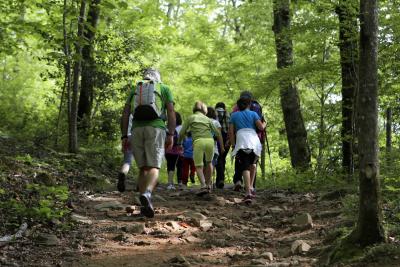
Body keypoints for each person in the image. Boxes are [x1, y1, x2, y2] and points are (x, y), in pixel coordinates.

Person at [121, 68, 175, 218]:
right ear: (158, 77)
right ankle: (148, 193)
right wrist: (171, 134)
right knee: (154, 166)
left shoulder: (135, 88)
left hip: (137, 130)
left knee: (142, 168)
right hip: (155, 128)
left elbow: (125, 113)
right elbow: (171, 112)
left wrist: (124, 136)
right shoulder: (164, 88)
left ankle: (144, 208)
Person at [178, 101, 224, 196]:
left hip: (198, 142)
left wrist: (179, 142)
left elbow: (182, 132)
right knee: (209, 162)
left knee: (199, 165)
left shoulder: (191, 118)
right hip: (210, 141)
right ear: (204, 110)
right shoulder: (207, 119)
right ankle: (208, 185)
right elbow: (217, 133)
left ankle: (203, 186)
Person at [229, 97, 266, 203]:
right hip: (254, 140)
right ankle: (250, 187)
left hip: (241, 140)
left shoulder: (234, 115)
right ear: (249, 104)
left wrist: (233, 145)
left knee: (244, 166)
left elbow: (231, 132)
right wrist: (265, 123)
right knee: (253, 164)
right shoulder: (254, 114)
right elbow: (261, 128)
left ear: (238, 106)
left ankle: (248, 192)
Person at [165, 112, 183, 190]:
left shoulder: (166, 127)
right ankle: (170, 183)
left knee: (169, 165)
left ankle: (170, 182)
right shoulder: (181, 128)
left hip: (167, 149)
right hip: (176, 149)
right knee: (174, 166)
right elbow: (183, 139)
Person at [214, 102, 230, 189]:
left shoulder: (214, 115)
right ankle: (220, 180)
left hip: (216, 140)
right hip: (226, 141)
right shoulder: (228, 115)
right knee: (222, 159)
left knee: (218, 159)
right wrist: (229, 141)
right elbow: (230, 130)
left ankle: (220, 180)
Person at [117, 114, 134, 192]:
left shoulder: (126, 115)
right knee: (142, 163)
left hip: (127, 137)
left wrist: (124, 138)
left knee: (127, 162)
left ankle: (123, 173)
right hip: (139, 136)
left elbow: (122, 127)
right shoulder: (142, 114)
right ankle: (140, 185)